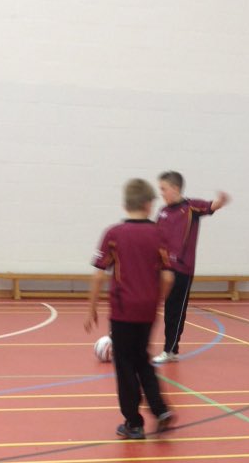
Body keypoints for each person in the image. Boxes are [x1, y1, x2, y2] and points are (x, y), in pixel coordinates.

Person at [85, 178, 175, 439]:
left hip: (123, 310)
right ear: (149, 204)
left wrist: (91, 307)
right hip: (147, 309)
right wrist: (156, 300)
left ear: (126, 204)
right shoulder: (159, 234)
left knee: (125, 365)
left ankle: (133, 423)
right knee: (142, 359)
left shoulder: (114, 234)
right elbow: (168, 277)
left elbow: (99, 274)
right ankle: (160, 410)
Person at [152, 171, 230, 364]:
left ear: (175, 188)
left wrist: (220, 201)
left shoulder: (190, 207)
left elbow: (211, 206)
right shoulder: (162, 211)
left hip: (182, 269)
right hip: (162, 267)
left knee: (174, 310)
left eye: (164, 189)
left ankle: (170, 350)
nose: (161, 193)